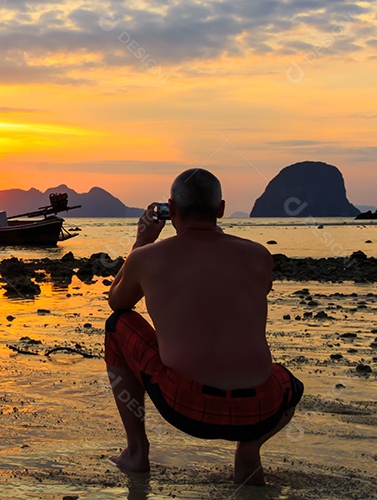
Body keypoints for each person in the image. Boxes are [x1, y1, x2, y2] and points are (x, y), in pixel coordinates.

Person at [104, 168, 303, 485]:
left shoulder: (148, 257)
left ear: (172, 211)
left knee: (117, 326)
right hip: (259, 411)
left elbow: (118, 303)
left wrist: (141, 241)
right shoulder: (259, 255)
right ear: (221, 209)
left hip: (188, 406)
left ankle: (137, 452)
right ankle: (249, 450)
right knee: (291, 384)